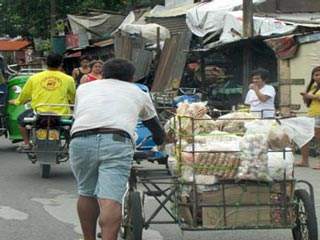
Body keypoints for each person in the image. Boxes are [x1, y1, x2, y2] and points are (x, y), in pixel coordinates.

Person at [70, 58, 165, 240]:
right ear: (131, 79)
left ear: (102, 75)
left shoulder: (84, 89)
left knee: (86, 192)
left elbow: (78, 118)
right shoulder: (138, 92)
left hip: (80, 139)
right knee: (110, 199)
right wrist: (161, 142)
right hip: (116, 141)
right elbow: (155, 128)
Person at [9, 53, 76, 152]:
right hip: (61, 113)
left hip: (38, 112)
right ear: (61, 64)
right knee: (72, 125)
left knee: (20, 120)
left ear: (45, 63)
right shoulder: (68, 79)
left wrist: (16, 102)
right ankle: (70, 143)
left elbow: (24, 95)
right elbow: (73, 97)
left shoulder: (33, 78)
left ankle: (27, 143)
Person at [294, 66, 320, 169]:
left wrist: (311, 96)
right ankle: (304, 161)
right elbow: (308, 102)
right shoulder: (313, 88)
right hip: (312, 114)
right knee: (304, 136)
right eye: (316, 75)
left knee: (319, 138)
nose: (318, 77)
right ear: (313, 77)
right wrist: (306, 97)